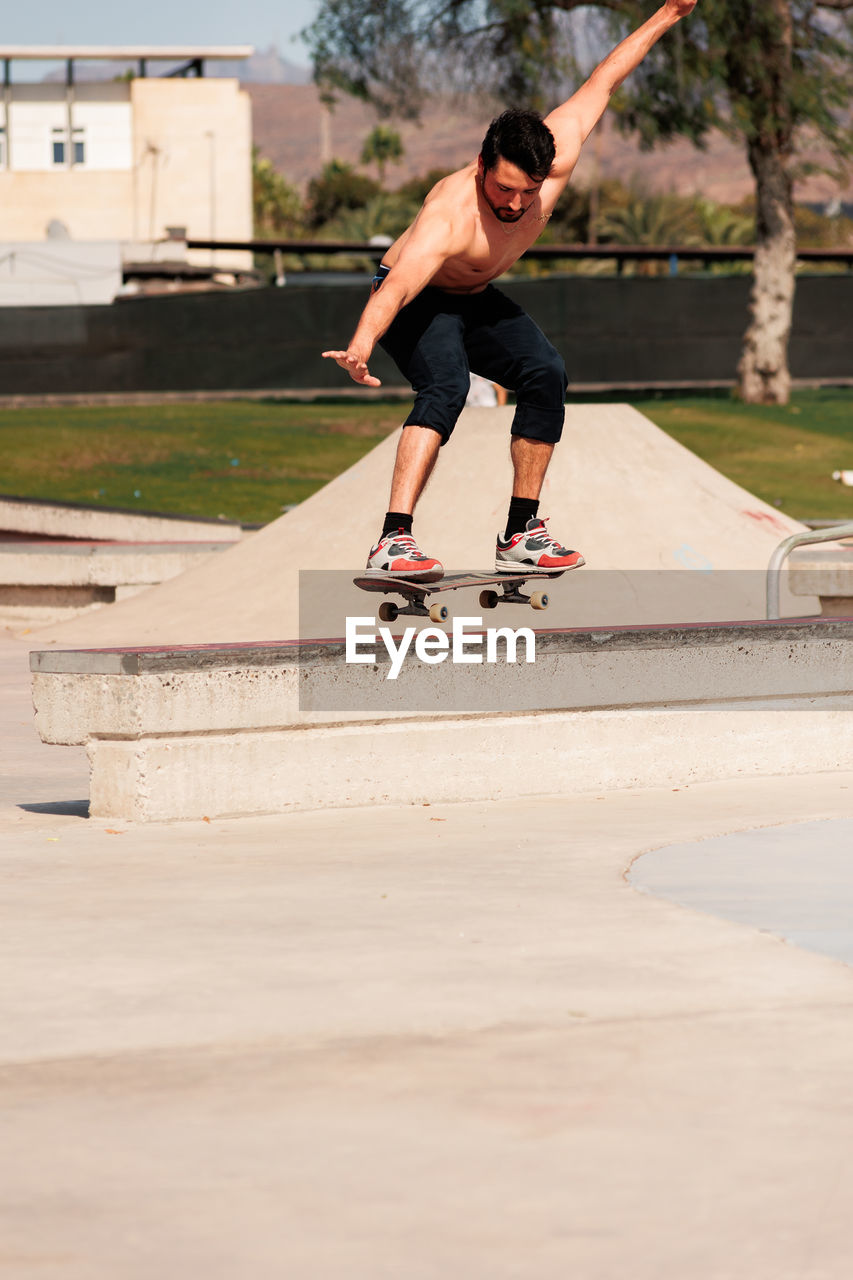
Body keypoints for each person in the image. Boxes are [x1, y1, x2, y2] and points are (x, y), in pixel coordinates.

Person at [323, 0, 697, 580]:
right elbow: (396, 290)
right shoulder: (450, 214)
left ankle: (521, 531)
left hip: (475, 300)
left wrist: (669, 13)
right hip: (416, 299)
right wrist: (362, 345)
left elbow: (605, 79)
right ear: (481, 165)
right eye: (503, 189)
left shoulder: (557, 150)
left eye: (529, 193)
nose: (515, 205)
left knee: (546, 372)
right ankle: (393, 540)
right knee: (445, 384)